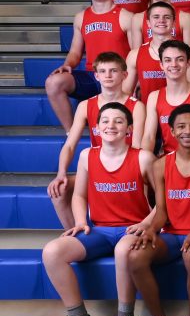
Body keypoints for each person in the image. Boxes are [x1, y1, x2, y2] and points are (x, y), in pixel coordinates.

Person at [41, 102, 155, 316]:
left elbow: (164, 201)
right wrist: (80, 221)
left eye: (118, 121)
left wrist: (146, 223)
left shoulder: (144, 158)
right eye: (105, 121)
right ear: (97, 127)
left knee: (123, 250)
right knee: (52, 252)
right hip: (100, 231)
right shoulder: (87, 156)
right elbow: (79, 195)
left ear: (129, 129)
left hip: (132, 229)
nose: (111, 125)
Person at [127, 104, 190, 316]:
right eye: (181, 126)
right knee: (135, 257)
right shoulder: (160, 165)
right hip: (172, 234)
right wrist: (151, 229)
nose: (187, 131)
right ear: (171, 131)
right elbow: (161, 211)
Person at [48, 53, 145, 229]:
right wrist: (61, 173)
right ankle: (77, 234)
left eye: (113, 71)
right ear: (96, 76)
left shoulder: (136, 106)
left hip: (125, 169)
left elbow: (138, 147)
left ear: (124, 75)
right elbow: (70, 145)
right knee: (59, 189)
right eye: (103, 71)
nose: (108, 75)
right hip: (97, 169)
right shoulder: (86, 105)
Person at [46, 0, 134, 130]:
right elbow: (75, 52)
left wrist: (131, 80)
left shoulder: (126, 16)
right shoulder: (81, 17)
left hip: (118, 77)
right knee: (53, 82)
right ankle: (71, 132)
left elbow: (136, 54)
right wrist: (67, 65)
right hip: (92, 76)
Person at [142, 41, 190, 155]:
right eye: (168, 60)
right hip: (166, 160)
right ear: (161, 64)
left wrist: (181, 162)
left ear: (188, 63)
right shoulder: (154, 97)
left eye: (180, 59)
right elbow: (149, 137)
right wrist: (144, 159)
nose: (174, 64)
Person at [125, 2, 190, 104]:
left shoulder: (188, 55)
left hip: (181, 112)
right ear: (148, 23)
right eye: (156, 17)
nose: (161, 21)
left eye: (167, 17)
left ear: (174, 23)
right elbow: (125, 93)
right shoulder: (134, 55)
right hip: (147, 112)